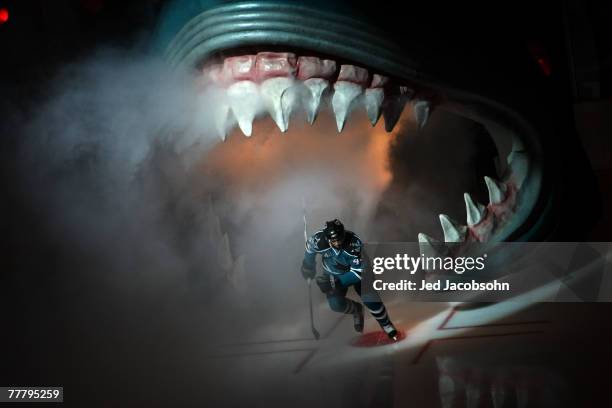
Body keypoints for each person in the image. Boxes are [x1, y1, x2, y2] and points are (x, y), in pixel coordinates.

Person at [301, 219, 398, 340]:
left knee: (371, 300)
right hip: (332, 272)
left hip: (359, 272)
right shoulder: (318, 240)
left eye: (339, 238)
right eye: (333, 240)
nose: (337, 243)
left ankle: (386, 324)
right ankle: (356, 310)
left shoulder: (354, 244)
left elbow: (358, 273)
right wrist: (308, 266)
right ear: (327, 238)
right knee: (336, 305)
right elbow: (310, 250)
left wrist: (335, 282)